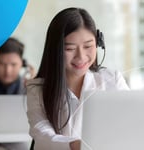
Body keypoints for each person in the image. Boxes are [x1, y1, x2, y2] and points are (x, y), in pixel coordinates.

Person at [26, 7, 129, 150]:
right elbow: (42, 134)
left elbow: (130, 124)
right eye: (70, 49)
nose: (81, 56)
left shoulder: (112, 80)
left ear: (98, 43)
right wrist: (75, 145)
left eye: (88, 46)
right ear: (55, 50)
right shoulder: (37, 89)